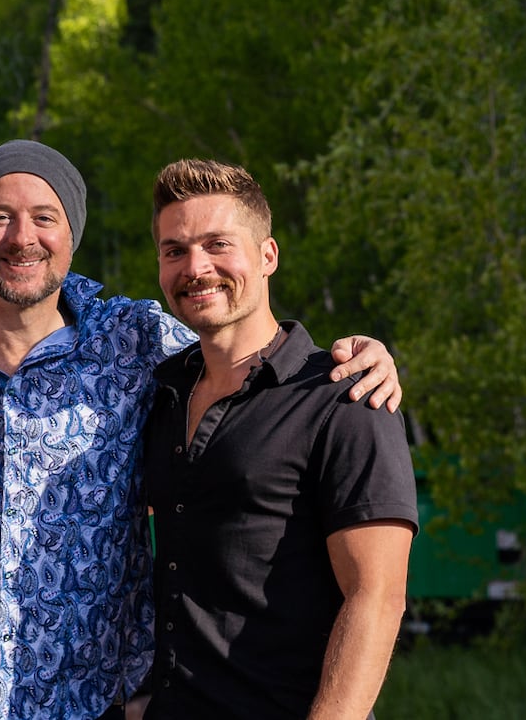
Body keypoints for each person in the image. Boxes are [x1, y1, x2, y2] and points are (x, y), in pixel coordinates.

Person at [0, 140, 402, 720]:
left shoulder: (133, 342)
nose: (20, 237)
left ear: (72, 234)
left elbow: (246, 347)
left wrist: (365, 356)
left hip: (91, 708)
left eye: (44, 217)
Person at [144, 159, 417, 718]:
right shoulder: (158, 393)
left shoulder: (345, 395)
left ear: (268, 256)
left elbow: (377, 598)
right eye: (175, 250)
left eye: (218, 244)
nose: (196, 268)